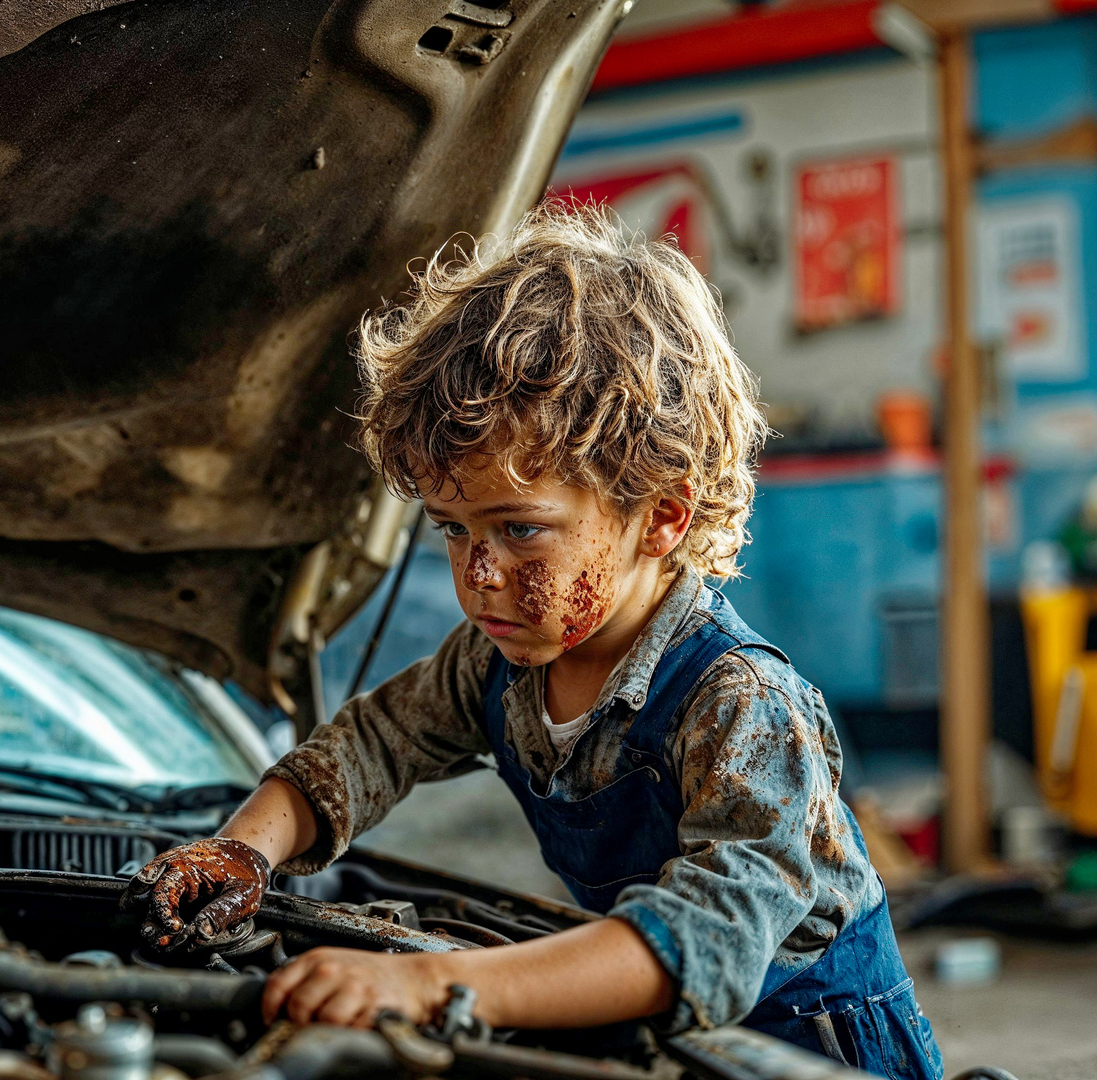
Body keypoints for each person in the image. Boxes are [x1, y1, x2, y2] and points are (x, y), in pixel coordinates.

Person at [121, 205, 942, 1080]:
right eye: (452, 528)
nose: (477, 575)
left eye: (519, 530)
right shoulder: (498, 666)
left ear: (661, 515)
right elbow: (367, 745)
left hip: (822, 1053)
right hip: (679, 1048)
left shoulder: (741, 705)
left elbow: (702, 944)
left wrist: (434, 986)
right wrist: (243, 848)